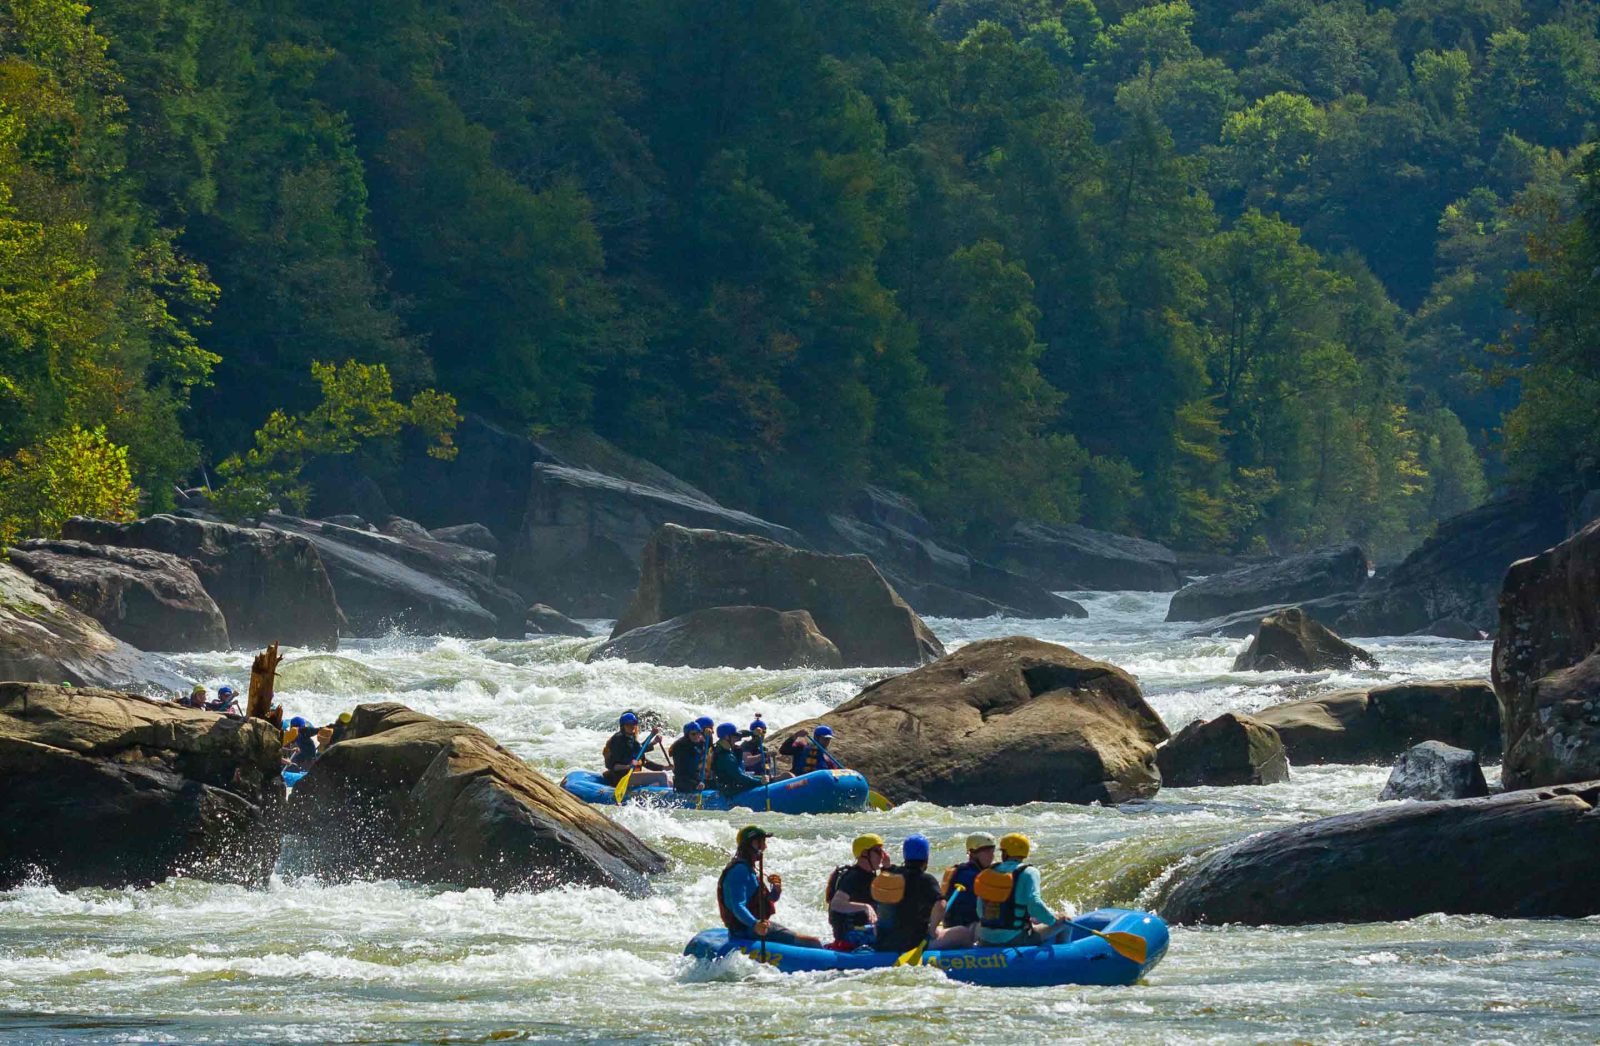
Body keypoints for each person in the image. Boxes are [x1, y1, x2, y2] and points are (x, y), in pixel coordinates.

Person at [717, 825, 821, 948]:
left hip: (751, 927)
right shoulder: (739, 870)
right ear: (750, 845)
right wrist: (755, 924)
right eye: (761, 843)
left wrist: (776, 889)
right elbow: (737, 906)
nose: (765, 847)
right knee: (813, 942)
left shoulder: (749, 869)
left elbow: (767, 900)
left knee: (809, 940)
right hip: (746, 931)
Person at [973, 832, 1073, 948]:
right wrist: (1053, 920)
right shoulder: (1029, 872)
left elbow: (980, 910)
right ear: (1025, 853)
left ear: (1005, 854)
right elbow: (1034, 904)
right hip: (1013, 940)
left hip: (984, 939)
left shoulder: (988, 872)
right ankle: (1064, 954)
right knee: (1067, 921)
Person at [872, 834, 965, 955]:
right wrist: (932, 931)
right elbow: (941, 904)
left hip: (884, 941)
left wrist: (887, 865)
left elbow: (889, 869)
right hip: (914, 943)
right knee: (964, 933)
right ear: (926, 857)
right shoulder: (926, 880)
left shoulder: (892, 874)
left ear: (905, 855)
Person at [933, 832, 995, 949]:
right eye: (986, 851)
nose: (991, 855)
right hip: (967, 928)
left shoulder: (959, 870)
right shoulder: (973, 876)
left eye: (992, 850)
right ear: (973, 853)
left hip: (954, 925)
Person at [826, 833, 887, 949]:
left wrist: (887, 868)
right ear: (864, 854)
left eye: (883, 852)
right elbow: (836, 904)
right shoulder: (853, 877)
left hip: (864, 930)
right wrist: (865, 907)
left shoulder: (870, 876)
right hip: (850, 936)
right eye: (878, 852)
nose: (882, 856)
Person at [601, 711, 669, 789]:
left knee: (668, 781)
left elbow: (643, 760)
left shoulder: (632, 739)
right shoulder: (617, 740)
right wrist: (628, 766)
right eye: (628, 724)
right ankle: (669, 799)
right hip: (622, 778)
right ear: (623, 726)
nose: (632, 726)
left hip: (632, 776)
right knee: (662, 776)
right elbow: (612, 766)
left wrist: (664, 768)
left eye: (634, 723)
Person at [710, 723, 767, 797]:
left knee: (766, 778)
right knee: (760, 780)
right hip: (730, 789)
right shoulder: (725, 756)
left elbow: (741, 734)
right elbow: (739, 776)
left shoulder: (724, 747)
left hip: (734, 783)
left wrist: (752, 732)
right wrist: (760, 782)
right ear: (727, 737)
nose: (737, 737)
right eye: (735, 735)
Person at [668, 721, 707, 794]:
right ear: (687, 735)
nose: (697, 736)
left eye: (699, 733)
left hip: (693, 777)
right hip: (683, 781)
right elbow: (687, 768)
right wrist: (697, 783)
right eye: (693, 734)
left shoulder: (697, 743)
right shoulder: (681, 747)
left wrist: (707, 738)